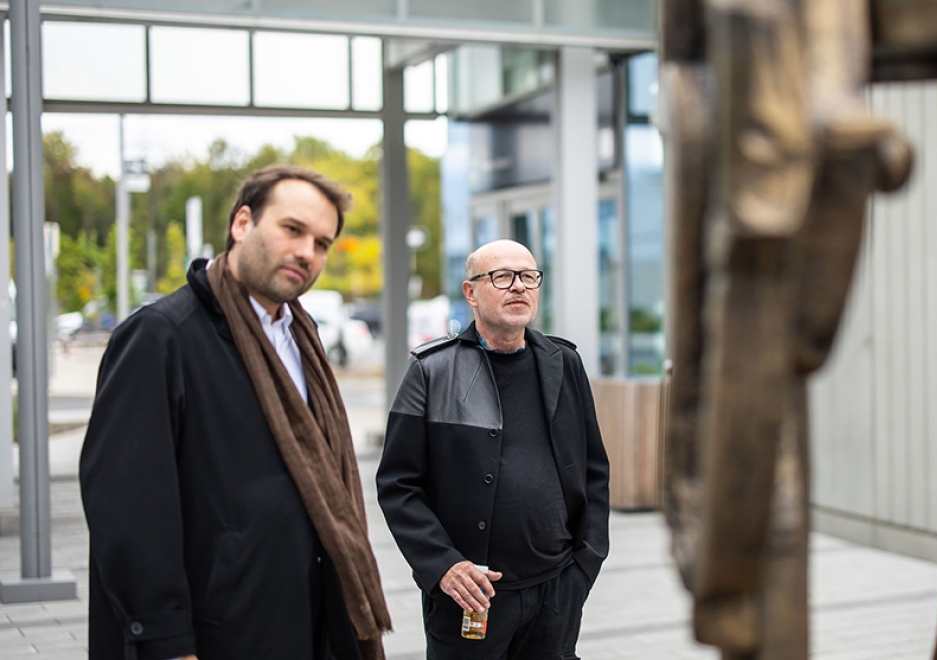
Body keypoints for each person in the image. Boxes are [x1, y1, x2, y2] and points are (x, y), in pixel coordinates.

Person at [79, 165, 392, 660]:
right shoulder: (163, 337)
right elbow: (128, 509)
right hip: (219, 630)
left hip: (307, 618)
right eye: (292, 229)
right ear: (242, 223)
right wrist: (167, 643)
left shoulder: (300, 337)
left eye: (322, 242)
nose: (306, 252)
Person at [378, 239, 609, 659]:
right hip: (471, 595)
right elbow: (398, 485)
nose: (518, 286)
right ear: (471, 292)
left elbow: (593, 468)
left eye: (528, 276)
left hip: (556, 591)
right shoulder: (432, 370)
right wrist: (442, 565)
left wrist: (585, 564)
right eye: (502, 277)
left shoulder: (564, 362)